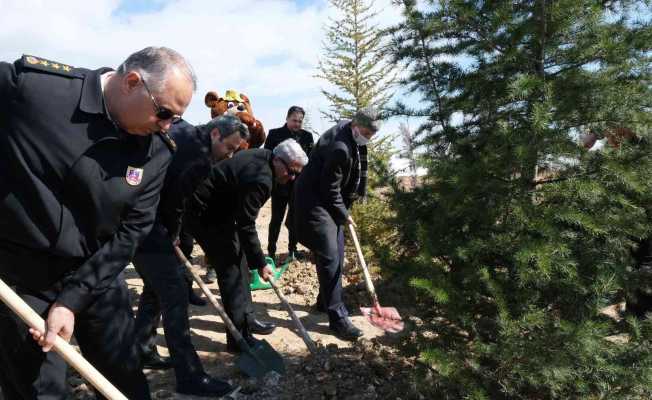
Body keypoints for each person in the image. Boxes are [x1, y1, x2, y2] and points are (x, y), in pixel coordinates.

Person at [0, 47, 195, 400]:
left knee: (125, 379)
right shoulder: (35, 90)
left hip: (96, 276)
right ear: (132, 82)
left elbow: (133, 229)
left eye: (174, 119)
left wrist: (71, 301)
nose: (167, 126)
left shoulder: (156, 151)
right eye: (164, 113)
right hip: (20, 277)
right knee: (38, 389)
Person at [132, 115, 247, 397]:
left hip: (138, 221)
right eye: (229, 148)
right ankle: (190, 377)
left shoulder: (185, 131)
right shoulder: (199, 159)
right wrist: (171, 233)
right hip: (148, 225)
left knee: (154, 289)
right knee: (176, 295)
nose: (229, 155)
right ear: (216, 134)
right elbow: (176, 201)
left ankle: (141, 349)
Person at [184, 139, 308, 351]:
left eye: (297, 173)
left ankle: (247, 319)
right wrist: (260, 262)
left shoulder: (266, 156)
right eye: (291, 171)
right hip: (203, 213)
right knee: (230, 272)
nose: (292, 177)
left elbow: (242, 221)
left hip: (221, 211)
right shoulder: (261, 179)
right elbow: (246, 224)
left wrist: (252, 260)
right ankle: (238, 339)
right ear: (278, 160)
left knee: (239, 259)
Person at [293, 107, 381, 341]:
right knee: (330, 254)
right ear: (355, 126)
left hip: (327, 199)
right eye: (366, 134)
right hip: (315, 201)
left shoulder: (349, 131)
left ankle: (325, 301)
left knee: (337, 254)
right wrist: (343, 214)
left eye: (372, 135)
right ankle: (337, 318)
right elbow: (330, 189)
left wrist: (341, 212)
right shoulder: (340, 147)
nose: (368, 139)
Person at [264, 106, 314, 262]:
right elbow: (268, 159)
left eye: (300, 121)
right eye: (294, 120)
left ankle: (293, 250)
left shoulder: (307, 136)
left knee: (295, 218)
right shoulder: (274, 134)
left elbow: (310, 161)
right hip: (280, 184)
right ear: (287, 118)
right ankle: (271, 251)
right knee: (276, 218)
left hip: (298, 185)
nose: (297, 124)